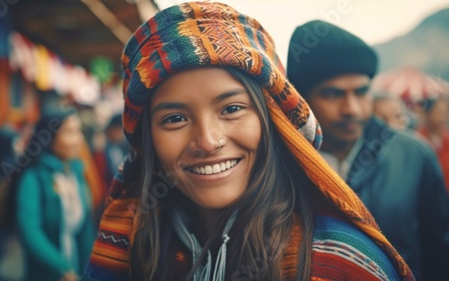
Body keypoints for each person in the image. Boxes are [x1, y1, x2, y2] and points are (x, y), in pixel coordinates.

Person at [85, 2, 415, 281]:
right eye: (175, 118)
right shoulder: (127, 244)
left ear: (273, 121)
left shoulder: (342, 263)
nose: (208, 141)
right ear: (147, 139)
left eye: (231, 109)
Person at [287, 20, 449, 280]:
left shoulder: (414, 155)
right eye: (333, 94)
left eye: (361, 92)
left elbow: (439, 254)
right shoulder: (279, 161)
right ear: (301, 97)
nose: (352, 108)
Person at [15, 107, 96, 281]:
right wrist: (63, 268)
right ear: (49, 138)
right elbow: (31, 233)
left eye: (79, 131)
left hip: (77, 265)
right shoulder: (34, 177)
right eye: (69, 132)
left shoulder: (76, 172)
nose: (78, 139)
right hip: (47, 272)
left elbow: (85, 225)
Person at [417, 97, 449, 193]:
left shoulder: (446, 139)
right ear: (428, 113)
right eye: (439, 112)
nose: (443, 118)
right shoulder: (418, 140)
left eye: (445, 113)